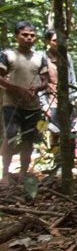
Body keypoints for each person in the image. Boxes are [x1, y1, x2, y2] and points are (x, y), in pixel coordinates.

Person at [0, 21, 48, 186]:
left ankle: (22, 174)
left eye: (32, 35)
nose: (29, 38)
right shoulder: (7, 55)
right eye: (25, 35)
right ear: (17, 36)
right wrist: (16, 89)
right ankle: (5, 174)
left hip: (33, 105)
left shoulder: (40, 57)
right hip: (11, 103)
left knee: (28, 139)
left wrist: (38, 88)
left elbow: (45, 81)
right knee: (10, 137)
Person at [40, 29, 77, 152]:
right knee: (55, 132)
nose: (58, 43)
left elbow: (72, 80)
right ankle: (57, 163)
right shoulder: (42, 57)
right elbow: (41, 83)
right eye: (55, 40)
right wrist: (44, 105)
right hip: (51, 101)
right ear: (48, 41)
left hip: (68, 100)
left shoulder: (67, 57)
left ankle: (69, 163)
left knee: (72, 131)